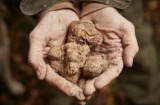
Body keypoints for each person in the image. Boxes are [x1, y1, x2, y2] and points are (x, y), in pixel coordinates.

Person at [20, 0, 139, 104]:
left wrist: (102, 4)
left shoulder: (86, 48)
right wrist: (51, 6)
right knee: (55, 85)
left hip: (117, 4)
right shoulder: (66, 52)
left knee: (142, 64)